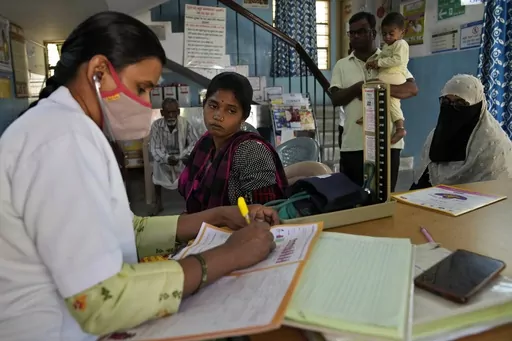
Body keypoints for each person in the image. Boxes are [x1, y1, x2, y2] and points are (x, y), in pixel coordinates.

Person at [0, 12, 278, 341]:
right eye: (141, 88)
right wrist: (227, 255)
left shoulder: (70, 130)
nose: (148, 104)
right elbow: (102, 300)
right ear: (98, 72)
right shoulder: (62, 141)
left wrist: (217, 214)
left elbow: (127, 229)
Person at [329, 11, 418, 192]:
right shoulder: (342, 65)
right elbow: (335, 98)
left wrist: (375, 91)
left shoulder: (388, 59)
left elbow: (411, 89)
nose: (355, 36)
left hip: (388, 142)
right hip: (354, 143)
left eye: (361, 31)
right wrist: (358, 88)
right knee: (353, 200)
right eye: (351, 33)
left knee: (384, 198)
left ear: (373, 33)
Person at [179, 72, 288, 213]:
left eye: (231, 110)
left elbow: (264, 215)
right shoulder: (206, 143)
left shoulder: (251, 152)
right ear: (204, 104)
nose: (218, 116)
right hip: (204, 227)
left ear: (244, 116)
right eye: (213, 106)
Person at [411, 74, 512, 189]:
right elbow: (421, 183)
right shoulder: (435, 136)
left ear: (478, 106)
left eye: (460, 103)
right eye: (446, 102)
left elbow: (495, 193)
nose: (451, 108)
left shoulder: (493, 145)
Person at [150, 97, 200, 214]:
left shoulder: (185, 123)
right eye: (168, 112)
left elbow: (194, 142)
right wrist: (166, 158)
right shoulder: (156, 126)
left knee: (192, 174)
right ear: (162, 113)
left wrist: (186, 155)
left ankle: (190, 204)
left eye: (174, 112)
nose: (171, 115)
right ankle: (158, 203)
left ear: (178, 112)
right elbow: (155, 147)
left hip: (181, 158)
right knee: (155, 175)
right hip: (164, 159)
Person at [366, 12, 409, 144]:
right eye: (384, 34)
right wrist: (375, 63)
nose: (387, 37)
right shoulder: (387, 46)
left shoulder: (401, 44)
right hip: (389, 75)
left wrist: (378, 63)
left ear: (402, 32)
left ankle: (369, 116)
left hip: (396, 75)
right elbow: (382, 57)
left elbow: (397, 60)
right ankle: (400, 128)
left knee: (369, 85)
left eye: (391, 33)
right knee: (392, 103)